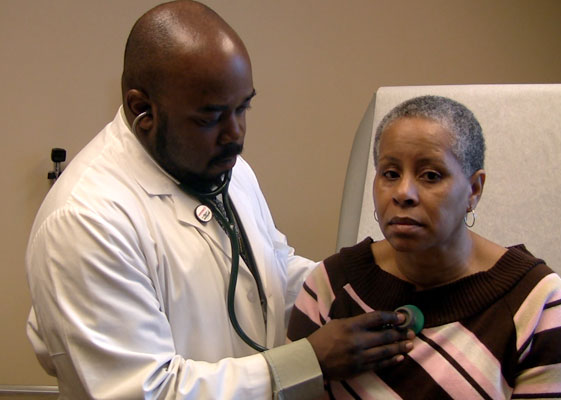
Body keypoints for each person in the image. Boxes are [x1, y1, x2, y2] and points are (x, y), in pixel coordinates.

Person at [25, 1, 415, 398]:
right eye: (210, 117)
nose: (236, 135)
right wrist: (308, 361)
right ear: (143, 110)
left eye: (243, 108)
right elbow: (147, 391)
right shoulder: (84, 221)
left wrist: (358, 285)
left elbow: (272, 270)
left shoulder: (223, 167)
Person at [287, 95, 561, 399]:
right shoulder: (330, 286)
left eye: (430, 176)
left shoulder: (536, 302)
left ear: (474, 189)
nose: (403, 193)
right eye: (390, 174)